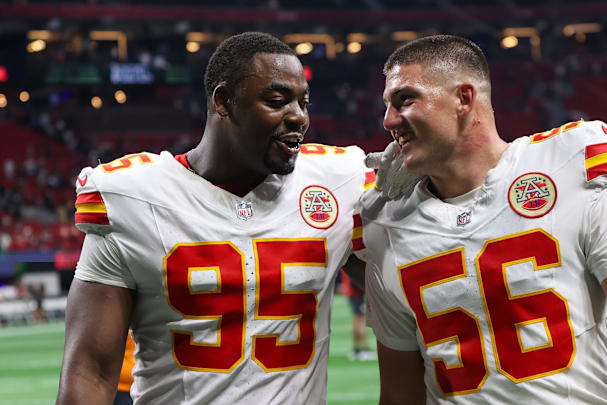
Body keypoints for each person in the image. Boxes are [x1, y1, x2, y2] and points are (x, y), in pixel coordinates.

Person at [354, 35, 607, 404]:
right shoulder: (386, 222)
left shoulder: (568, 169)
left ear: (464, 99)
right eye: (387, 105)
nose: (389, 120)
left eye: (405, 100)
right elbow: (401, 392)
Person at [56, 32, 377, 404]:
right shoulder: (133, 196)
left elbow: (404, 294)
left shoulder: (340, 180)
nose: (298, 117)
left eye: (303, 102)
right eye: (277, 101)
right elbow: (91, 369)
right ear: (224, 101)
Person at [339, 270, 376, 361]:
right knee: (361, 320)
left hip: (352, 292)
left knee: (357, 319)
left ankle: (356, 349)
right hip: (356, 293)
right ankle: (365, 348)